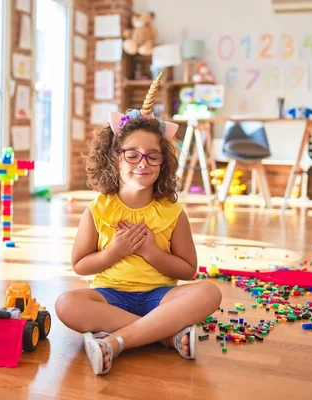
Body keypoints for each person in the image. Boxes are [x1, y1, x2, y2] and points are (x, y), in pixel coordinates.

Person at [55, 73, 222, 375]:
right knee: (66, 303)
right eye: (132, 155)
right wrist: (114, 251)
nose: (142, 163)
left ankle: (117, 342)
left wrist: (151, 252)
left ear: (163, 163)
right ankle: (166, 335)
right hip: (110, 296)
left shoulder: (172, 212)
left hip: (160, 296)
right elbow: (80, 265)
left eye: (152, 156)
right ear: (113, 159)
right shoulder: (97, 210)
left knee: (209, 293)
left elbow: (187, 270)